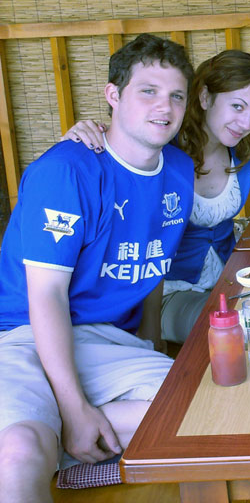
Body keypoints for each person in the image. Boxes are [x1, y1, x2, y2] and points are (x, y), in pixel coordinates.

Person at [0, 33, 195, 502]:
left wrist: (150, 342)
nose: (163, 107)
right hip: (22, 332)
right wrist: (74, 407)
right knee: (18, 452)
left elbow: (152, 264)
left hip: (107, 341)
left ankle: (72, 440)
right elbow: (46, 296)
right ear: (113, 95)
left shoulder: (179, 170)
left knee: (201, 410)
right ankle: (68, 431)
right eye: (147, 90)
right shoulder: (66, 170)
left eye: (176, 95)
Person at [63, 49, 250, 343]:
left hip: (229, 277)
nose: (246, 122)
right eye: (237, 106)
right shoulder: (161, 144)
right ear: (205, 98)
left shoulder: (246, 139)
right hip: (169, 292)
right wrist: (86, 131)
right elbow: (117, 145)